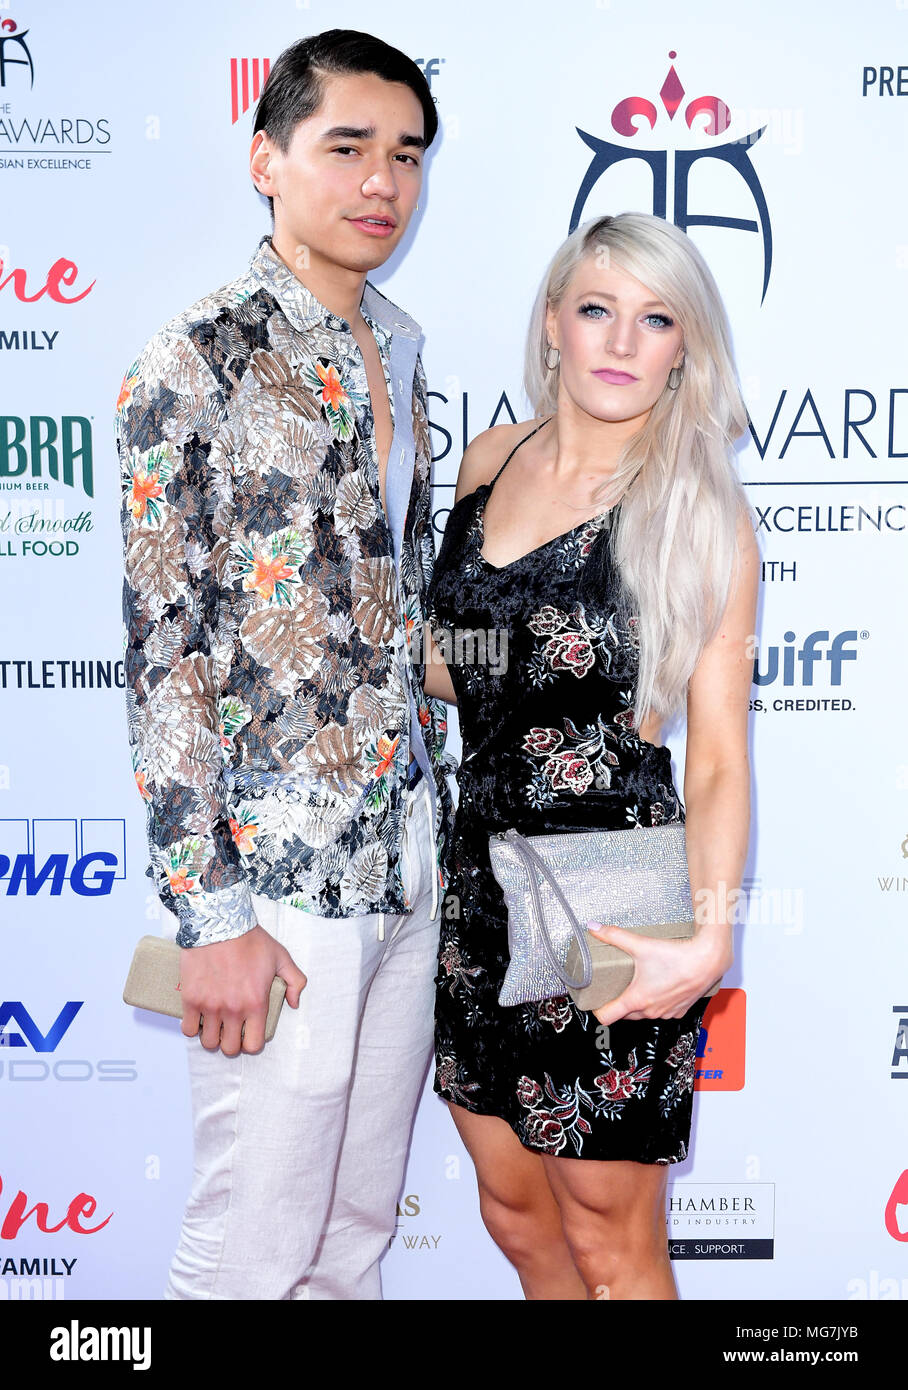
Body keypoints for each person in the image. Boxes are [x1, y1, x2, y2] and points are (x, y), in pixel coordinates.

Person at [115, 28, 456, 1300]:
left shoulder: (410, 349)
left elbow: (392, 616)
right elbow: (164, 652)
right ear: (267, 159)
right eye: (347, 147)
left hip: (402, 860)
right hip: (276, 889)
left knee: (353, 1235)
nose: (381, 181)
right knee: (250, 1248)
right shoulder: (193, 357)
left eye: (406, 155)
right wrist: (209, 917)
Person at [422, 211, 759, 1300]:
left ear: (682, 348)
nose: (621, 340)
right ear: (554, 326)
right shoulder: (489, 457)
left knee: (611, 1246)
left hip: (610, 884)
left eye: (655, 318)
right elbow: (458, 657)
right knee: (515, 1216)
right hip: (474, 874)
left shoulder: (696, 509)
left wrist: (707, 938)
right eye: (597, 310)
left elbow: (713, 758)